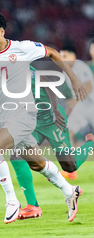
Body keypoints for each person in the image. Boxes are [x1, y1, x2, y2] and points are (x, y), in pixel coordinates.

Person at [0, 11, 87, 223]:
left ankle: (12, 201)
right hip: (6, 115)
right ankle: (70, 191)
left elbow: (53, 53)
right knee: (37, 164)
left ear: (2, 31)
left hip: (24, 114)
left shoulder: (23, 48)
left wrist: (73, 78)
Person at [10, 66, 94, 219]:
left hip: (53, 119)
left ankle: (91, 143)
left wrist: (55, 110)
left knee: (69, 166)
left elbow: (48, 85)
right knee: (17, 155)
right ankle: (32, 206)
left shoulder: (22, 68)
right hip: (34, 123)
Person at [59, 44, 94, 179]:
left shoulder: (80, 66)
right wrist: (72, 104)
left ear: (73, 55)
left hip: (91, 104)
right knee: (68, 132)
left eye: (65, 56)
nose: (62, 59)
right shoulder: (65, 72)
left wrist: (75, 101)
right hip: (82, 106)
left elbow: (88, 86)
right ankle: (71, 169)